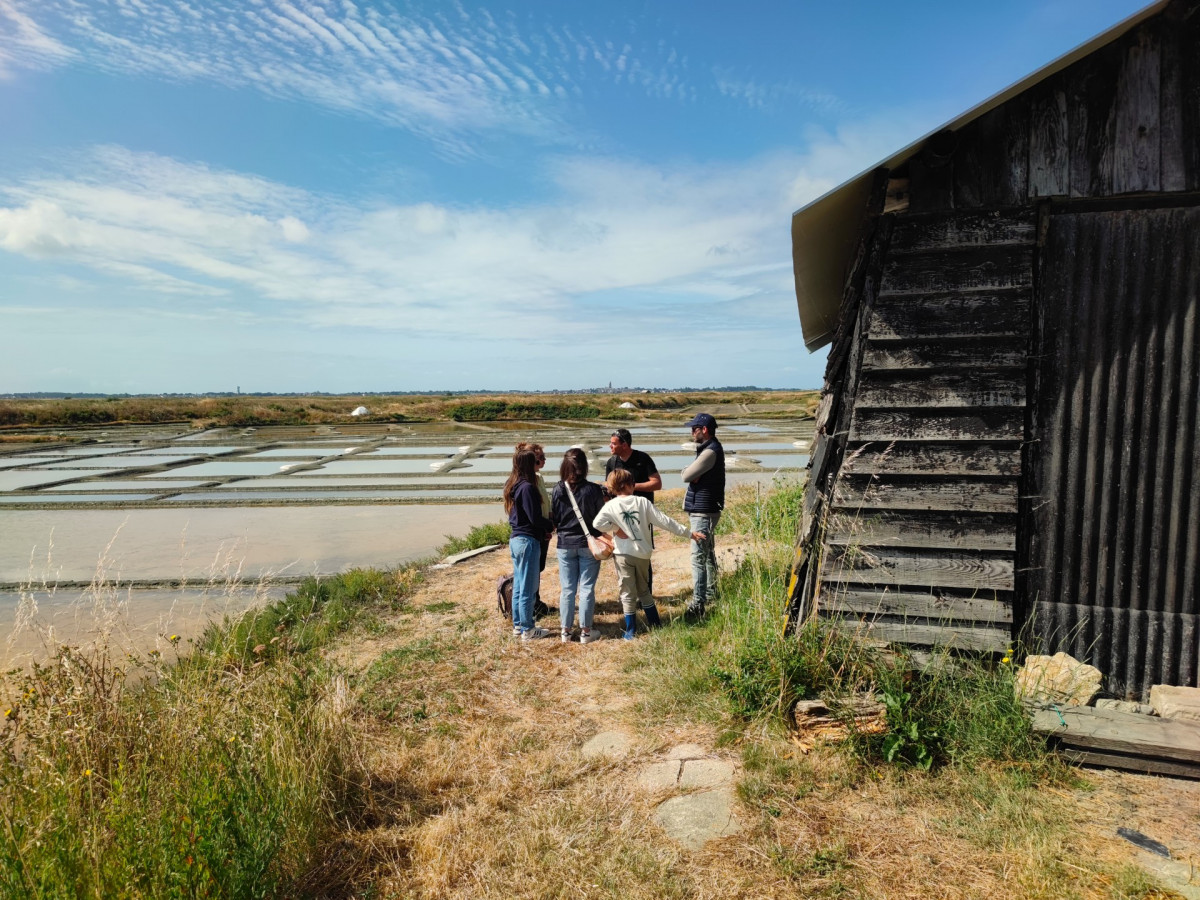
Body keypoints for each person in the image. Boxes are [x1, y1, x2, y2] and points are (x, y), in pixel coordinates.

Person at [593, 468, 706, 640]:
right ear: (629, 485)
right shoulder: (642, 503)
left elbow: (597, 524)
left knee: (627, 592)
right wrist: (688, 533)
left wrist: (615, 528)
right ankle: (655, 624)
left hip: (623, 554)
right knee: (644, 590)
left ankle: (631, 630)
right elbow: (664, 521)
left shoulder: (611, 505)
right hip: (643, 554)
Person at [551, 448, 607, 644]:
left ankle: (565, 632)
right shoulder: (593, 490)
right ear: (585, 466)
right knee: (586, 588)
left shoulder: (557, 489)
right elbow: (601, 519)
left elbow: (555, 518)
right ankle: (585, 631)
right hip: (588, 543)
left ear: (564, 467)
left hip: (565, 543)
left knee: (567, 589)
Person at [503, 446, 554, 640]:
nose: (539, 463)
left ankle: (518, 625)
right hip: (527, 540)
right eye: (536, 460)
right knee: (528, 587)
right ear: (529, 464)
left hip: (517, 539)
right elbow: (535, 518)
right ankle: (528, 629)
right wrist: (550, 525)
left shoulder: (514, 484)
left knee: (519, 585)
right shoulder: (527, 487)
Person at [605, 427, 662, 591]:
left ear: (624, 445)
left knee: (642, 550)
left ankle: (646, 592)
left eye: (613, 443)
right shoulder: (612, 462)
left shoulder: (642, 459)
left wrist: (630, 487)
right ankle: (628, 593)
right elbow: (609, 489)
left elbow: (656, 483)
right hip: (619, 515)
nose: (610, 446)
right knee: (622, 551)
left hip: (641, 514)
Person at [681, 413, 725, 618]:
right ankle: (711, 592)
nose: (691, 432)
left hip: (703, 511)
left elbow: (686, 475)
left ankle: (698, 604)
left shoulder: (709, 452)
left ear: (704, 430)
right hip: (705, 509)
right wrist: (691, 472)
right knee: (707, 553)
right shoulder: (708, 449)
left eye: (694, 428)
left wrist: (689, 473)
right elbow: (691, 474)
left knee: (698, 556)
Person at [516, 441, 553, 615]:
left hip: (541, 530)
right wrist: (546, 526)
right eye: (540, 458)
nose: (543, 461)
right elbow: (533, 514)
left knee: (537, 568)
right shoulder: (526, 483)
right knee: (530, 571)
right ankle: (531, 608)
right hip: (533, 531)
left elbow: (546, 503)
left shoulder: (538, 478)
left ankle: (535, 602)